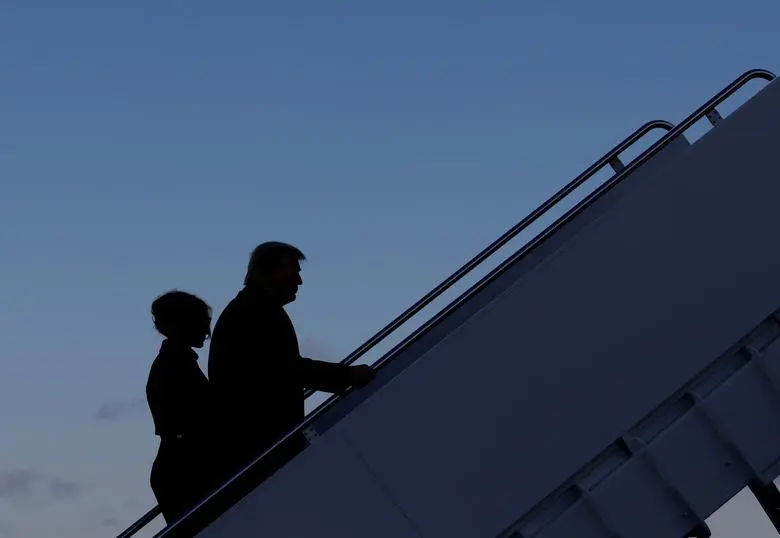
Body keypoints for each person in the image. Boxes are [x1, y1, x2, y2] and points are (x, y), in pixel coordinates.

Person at [208, 241, 375, 481]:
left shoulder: (248, 310)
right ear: (271, 272)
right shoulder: (256, 312)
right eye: (294, 272)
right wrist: (347, 376)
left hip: (253, 442)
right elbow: (287, 369)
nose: (299, 280)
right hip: (262, 443)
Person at [146, 290, 220, 525]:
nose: (208, 333)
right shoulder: (175, 366)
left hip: (178, 467)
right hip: (184, 470)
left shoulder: (173, 363)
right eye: (202, 324)